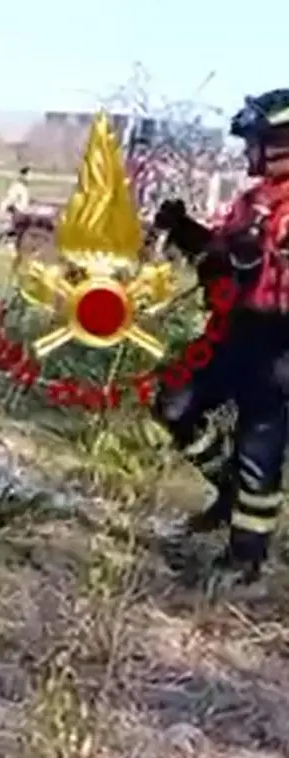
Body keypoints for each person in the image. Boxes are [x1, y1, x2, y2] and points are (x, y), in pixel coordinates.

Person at [151, 88, 289, 584]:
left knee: (260, 445)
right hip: (240, 330)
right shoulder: (253, 201)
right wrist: (185, 230)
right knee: (173, 401)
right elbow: (219, 258)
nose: (246, 152)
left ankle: (246, 561)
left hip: (282, 343)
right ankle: (227, 490)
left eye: (254, 141)